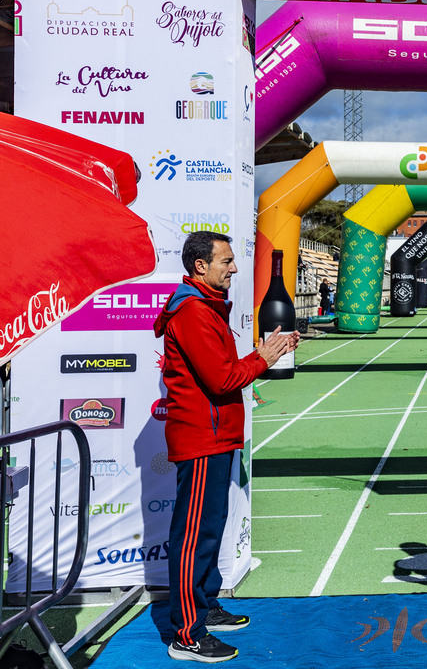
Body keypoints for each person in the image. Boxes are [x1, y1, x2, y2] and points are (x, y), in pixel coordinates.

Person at [154, 231, 299, 663]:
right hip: (201, 437)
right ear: (201, 266)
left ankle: (205, 606)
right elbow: (220, 379)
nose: (234, 268)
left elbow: (223, 369)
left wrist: (264, 352)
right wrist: (264, 357)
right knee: (192, 536)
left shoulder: (205, 307)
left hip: (215, 435)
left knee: (210, 530)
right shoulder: (194, 311)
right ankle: (187, 635)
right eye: (227, 261)